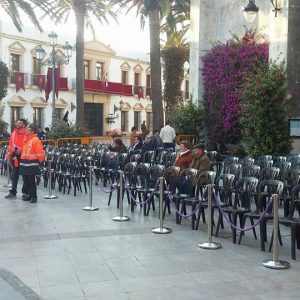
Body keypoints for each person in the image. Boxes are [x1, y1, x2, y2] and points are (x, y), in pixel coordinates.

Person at [19, 124, 45, 203]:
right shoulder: (26, 139)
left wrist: (41, 161)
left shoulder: (35, 140)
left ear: (32, 132)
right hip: (24, 163)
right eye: (26, 130)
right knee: (26, 180)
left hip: (32, 164)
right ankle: (30, 195)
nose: (26, 131)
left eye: (28, 130)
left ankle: (34, 197)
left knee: (31, 181)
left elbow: (39, 152)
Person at [5, 119, 27, 199]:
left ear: (23, 125)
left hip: (24, 156)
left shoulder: (27, 133)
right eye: (17, 123)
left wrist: (21, 150)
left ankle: (25, 193)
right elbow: (11, 144)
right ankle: (13, 192)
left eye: (19, 123)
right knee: (14, 175)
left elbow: (29, 144)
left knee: (25, 175)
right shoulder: (13, 133)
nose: (17, 124)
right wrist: (9, 154)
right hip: (14, 156)